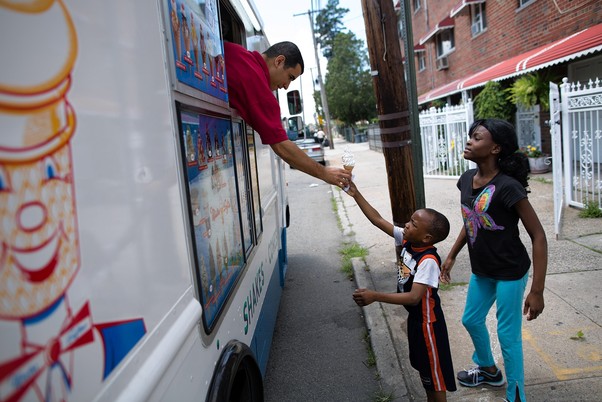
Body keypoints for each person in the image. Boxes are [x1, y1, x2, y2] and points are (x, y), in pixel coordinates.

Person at [440, 119, 548, 402]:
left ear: (495, 148)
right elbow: (471, 218)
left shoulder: (508, 187)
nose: (469, 141)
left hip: (511, 271)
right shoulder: (465, 180)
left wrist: (537, 290)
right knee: (471, 319)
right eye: (470, 137)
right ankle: (489, 370)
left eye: (476, 138)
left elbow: (538, 235)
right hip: (483, 270)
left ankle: (516, 396)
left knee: (507, 334)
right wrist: (451, 255)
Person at [345, 181, 456, 402]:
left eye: (413, 223)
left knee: (435, 380)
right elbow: (377, 220)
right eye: (409, 220)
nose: (407, 224)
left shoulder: (428, 260)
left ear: (426, 238)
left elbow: (415, 297)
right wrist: (356, 193)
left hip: (428, 326)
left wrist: (375, 296)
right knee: (426, 376)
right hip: (416, 322)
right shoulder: (408, 241)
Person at [223, 40, 351, 188]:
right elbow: (282, 146)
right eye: (290, 77)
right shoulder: (261, 90)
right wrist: (324, 173)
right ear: (279, 61)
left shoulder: (235, 50)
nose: (286, 86)